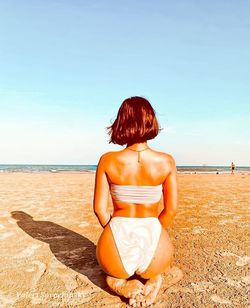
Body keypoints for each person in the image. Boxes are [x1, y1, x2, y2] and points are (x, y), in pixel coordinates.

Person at [93, 96, 183, 307]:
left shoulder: (108, 160)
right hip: (153, 236)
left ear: (121, 122)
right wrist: (155, 232)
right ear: (151, 121)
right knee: (158, 269)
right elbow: (171, 209)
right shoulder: (166, 161)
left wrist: (113, 232)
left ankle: (120, 283)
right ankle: (153, 278)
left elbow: (99, 209)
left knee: (112, 273)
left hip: (118, 233)